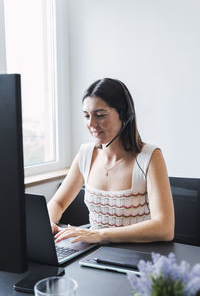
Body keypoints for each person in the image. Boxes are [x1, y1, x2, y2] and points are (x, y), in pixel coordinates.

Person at [48, 78, 174, 244]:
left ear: (124, 115)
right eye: (86, 116)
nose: (91, 124)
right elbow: (59, 202)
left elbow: (164, 228)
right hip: (93, 254)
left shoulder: (150, 157)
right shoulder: (86, 154)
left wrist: (99, 234)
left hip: (137, 258)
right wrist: (47, 222)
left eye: (100, 115)